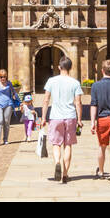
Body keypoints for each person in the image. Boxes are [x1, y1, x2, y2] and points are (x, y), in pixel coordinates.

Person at [39, 55, 84, 183]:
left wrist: (43, 117)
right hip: (70, 116)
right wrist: (79, 120)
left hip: (55, 116)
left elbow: (46, 100)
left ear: (59, 67)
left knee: (56, 144)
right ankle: (65, 174)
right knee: (68, 145)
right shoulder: (75, 82)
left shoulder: (51, 81)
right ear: (71, 67)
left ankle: (57, 162)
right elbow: (78, 102)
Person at [0, 69, 17, 145]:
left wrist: (19, 102)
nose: (3, 78)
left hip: (8, 104)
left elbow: (14, 92)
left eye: (4, 76)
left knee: (6, 122)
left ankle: (5, 139)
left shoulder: (9, 84)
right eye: (1, 77)